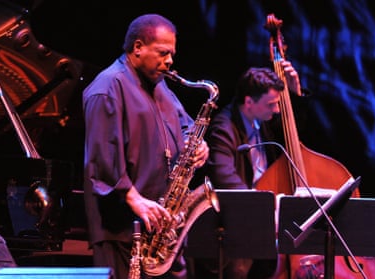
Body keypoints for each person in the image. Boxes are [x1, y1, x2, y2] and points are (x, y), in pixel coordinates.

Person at [82, 13, 209, 279]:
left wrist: (198, 145)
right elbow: (101, 158)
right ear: (138, 48)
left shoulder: (160, 86)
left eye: (172, 53)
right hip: (121, 229)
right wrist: (133, 197)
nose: (170, 61)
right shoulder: (108, 87)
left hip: (158, 227)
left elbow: (185, 125)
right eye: (163, 53)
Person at [193, 62, 301, 279]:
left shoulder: (264, 119)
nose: (277, 110)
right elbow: (226, 179)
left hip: (264, 224)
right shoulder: (223, 128)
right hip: (236, 228)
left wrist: (295, 92)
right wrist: (263, 210)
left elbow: (296, 134)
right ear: (249, 102)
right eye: (271, 104)